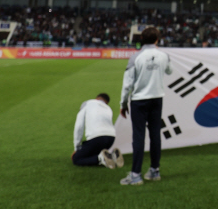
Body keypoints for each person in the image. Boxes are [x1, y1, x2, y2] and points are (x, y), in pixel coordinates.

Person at [119, 27, 172, 186]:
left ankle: (136, 175)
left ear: (141, 38)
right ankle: (155, 170)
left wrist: (123, 103)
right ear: (158, 39)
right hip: (157, 98)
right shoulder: (164, 56)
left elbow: (127, 84)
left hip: (139, 100)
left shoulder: (135, 57)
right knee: (155, 134)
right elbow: (170, 71)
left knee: (139, 136)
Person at [72, 93, 123, 169]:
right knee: (93, 152)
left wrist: (77, 148)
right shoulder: (108, 108)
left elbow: (79, 127)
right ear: (106, 102)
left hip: (96, 138)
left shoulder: (87, 103)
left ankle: (100, 159)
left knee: (76, 159)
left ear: (96, 98)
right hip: (111, 139)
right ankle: (112, 156)